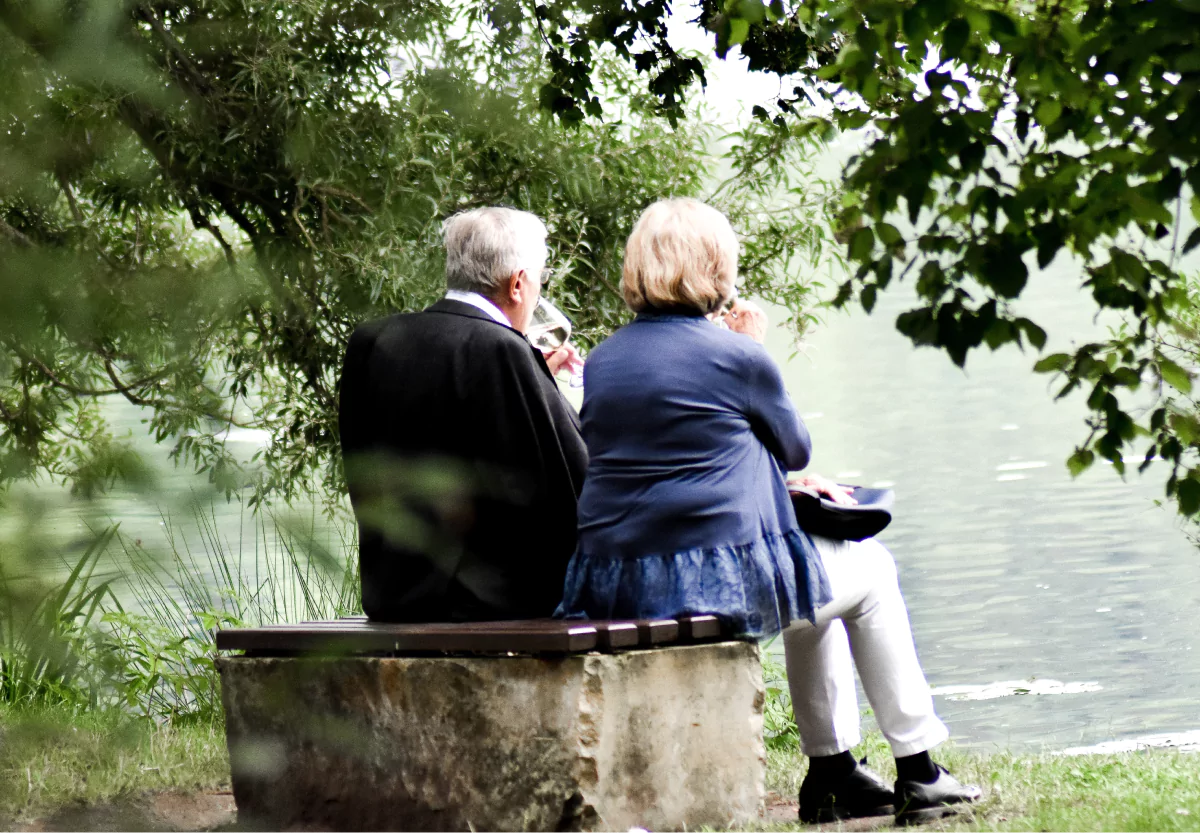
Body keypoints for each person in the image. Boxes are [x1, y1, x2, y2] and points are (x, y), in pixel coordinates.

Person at [556, 198, 981, 826]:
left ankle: (833, 772)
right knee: (872, 570)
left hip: (617, 579)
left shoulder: (606, 360)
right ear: (715, 266)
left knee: (819, 590)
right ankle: (919, 768)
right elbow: (795, 446)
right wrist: (753, 348)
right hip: (707, 584)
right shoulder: (736, 356)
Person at [338, 206, 587, 622]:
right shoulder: (502, 351)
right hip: (488, 605)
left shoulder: (372, 342)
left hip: (392, 596)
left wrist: (536, 373)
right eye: (541, 280)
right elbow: (570, 481)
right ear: (519, 284)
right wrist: (552, 390)